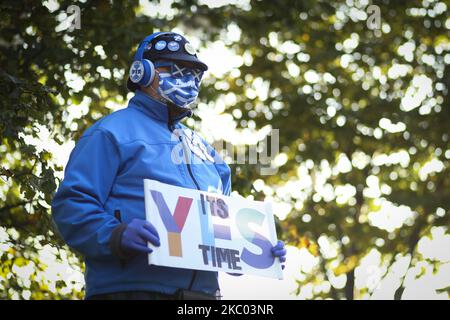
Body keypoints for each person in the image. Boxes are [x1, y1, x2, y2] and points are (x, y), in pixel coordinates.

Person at [51, 31, 287, 300]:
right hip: (130, 292)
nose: (187, 80)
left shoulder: (208, 153)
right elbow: (70, 205)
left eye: (193, 74)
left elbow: (219, 233)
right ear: (143, 72)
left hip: (204, 297)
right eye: (174, 70)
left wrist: (253, 248)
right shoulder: (110, 133)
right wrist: (115, 234)